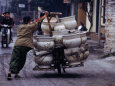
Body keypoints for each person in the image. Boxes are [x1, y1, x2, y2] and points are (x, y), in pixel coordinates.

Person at [7, 11, 49, 80]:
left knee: (14, 58)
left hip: (17, 44)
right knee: (22, 59)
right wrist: (45, 16)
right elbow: (38, 22)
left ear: (23, 20)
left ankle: (10, 72)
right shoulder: (31, 26)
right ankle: (16, 73)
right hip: (26, 45)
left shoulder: (20, 27)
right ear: (29, 21)